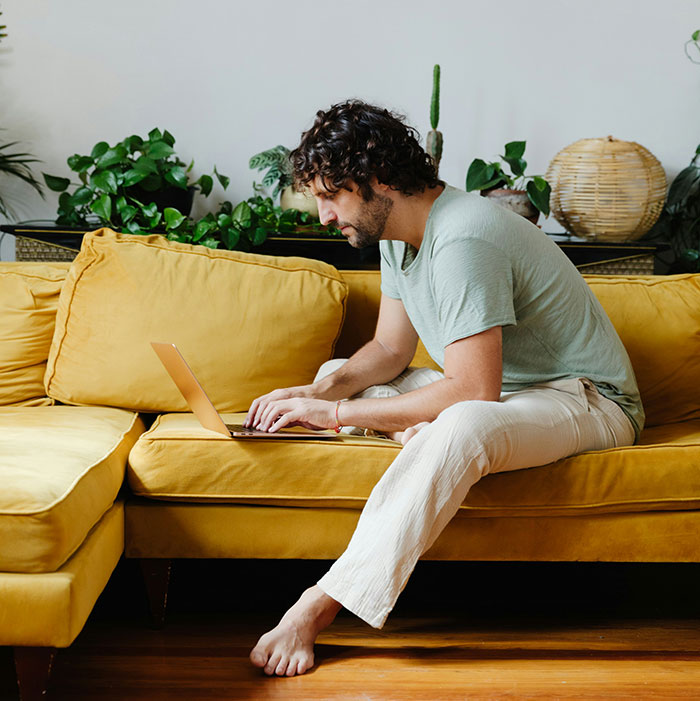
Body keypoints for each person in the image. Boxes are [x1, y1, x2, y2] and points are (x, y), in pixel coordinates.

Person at [246, 100, 644, 677]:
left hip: (586, 399)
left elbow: (473, 391)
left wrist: (334, 413)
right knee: (352, 373)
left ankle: (318, 604)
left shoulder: (463, 237)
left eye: (332, 195)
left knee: (459, 421)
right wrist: (315, 389)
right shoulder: (392, 233)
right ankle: (423, 436)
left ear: (377, 178)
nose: (325, 214)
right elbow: (388, 351)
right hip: (511, 396)